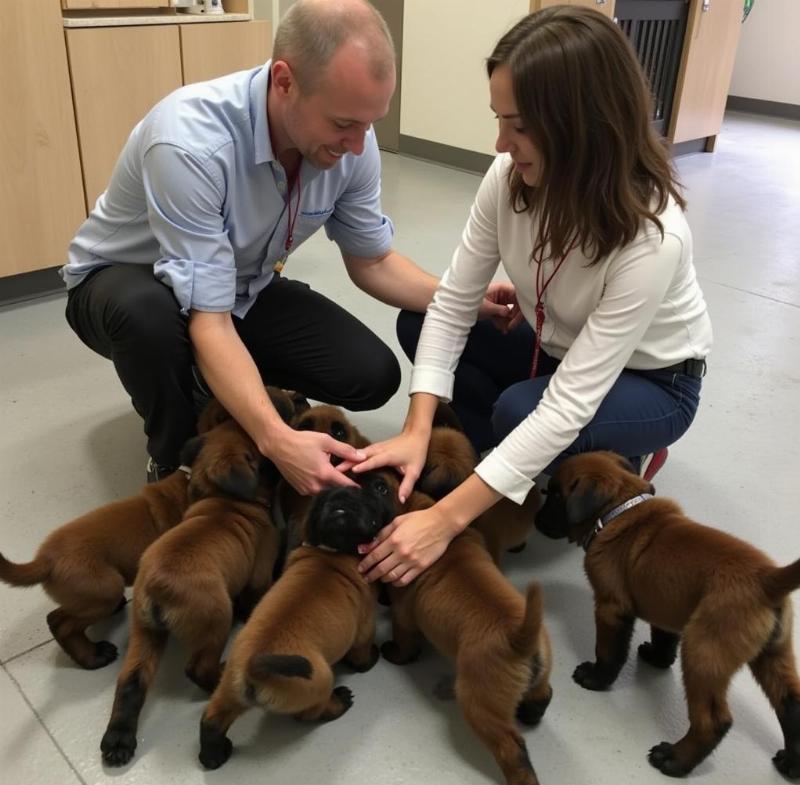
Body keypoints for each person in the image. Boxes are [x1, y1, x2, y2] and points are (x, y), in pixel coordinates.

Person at [60, 0, 517, 490]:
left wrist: (464, 299)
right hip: (124, 284)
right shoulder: (189, 143)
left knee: (370, 373)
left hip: (238, 287)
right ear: (284, 81)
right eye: (343, 124)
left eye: (370, 123)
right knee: (147, 316)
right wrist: (275, 439)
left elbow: (374, 261)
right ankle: (175, 459)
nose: (359, 146)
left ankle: (218, 387)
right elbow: (208, 319)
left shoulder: (352, 145)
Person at [355, 5, 713, 587]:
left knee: (521, 412)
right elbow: (450, 304)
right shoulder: (508, 178)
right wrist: (416, 429)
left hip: (656, 380)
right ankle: (512, 458)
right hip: (559, 347)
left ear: (585, 123)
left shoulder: (653, 234)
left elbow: (568, 402)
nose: (500, 143)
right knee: (419, 324)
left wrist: (444, 519)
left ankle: (622, 454)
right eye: (499, 119)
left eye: (519, 126)